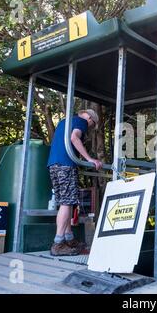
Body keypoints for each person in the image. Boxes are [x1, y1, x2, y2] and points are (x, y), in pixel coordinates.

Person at [47, 109, 103, 256]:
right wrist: (89, 159)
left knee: (66, 202)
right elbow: (74, 138)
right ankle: (58, 243)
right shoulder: (81, 121)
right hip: (66, 164)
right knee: (67, 203)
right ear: (90, 118)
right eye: (92, 125)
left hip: (53, 165)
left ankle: (68, 238)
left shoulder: (64, 122)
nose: (89, 127)